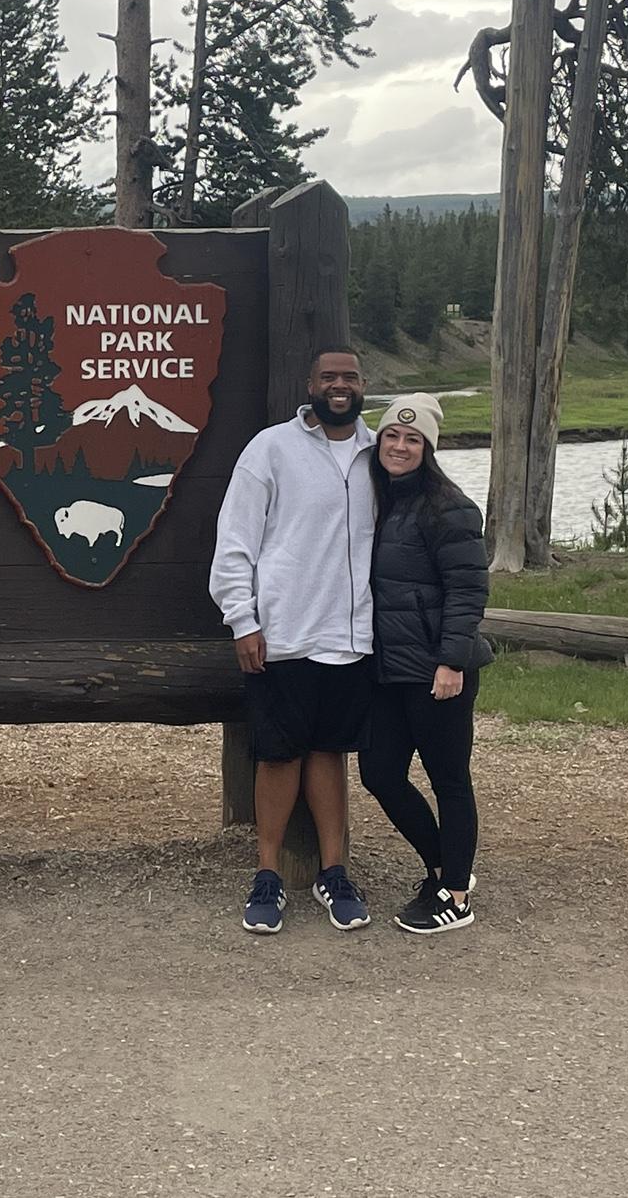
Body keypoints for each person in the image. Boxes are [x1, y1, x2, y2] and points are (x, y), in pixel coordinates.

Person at [210, 347, 376, 934]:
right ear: (310, 385)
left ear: (363, 386)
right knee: (278, 756)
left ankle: (335, 872)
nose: (339, 385)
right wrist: (243, 620)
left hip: (350, 635)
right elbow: (235, 540)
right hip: (283, 632)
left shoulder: (377, 453)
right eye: (328, 377)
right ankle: (268, 875)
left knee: (330, 753)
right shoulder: (271, 449)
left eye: (349, 377)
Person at [358, 392, 492, 934]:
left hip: (438, 669)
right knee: (379, 773)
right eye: (391, 435)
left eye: (412, 439)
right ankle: (444, 866)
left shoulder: (449, 507)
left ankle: (456, 896)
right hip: (389, 668)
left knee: (449, 779)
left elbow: (468, 589)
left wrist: (451, 661)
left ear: (428, 449)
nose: (399, 445)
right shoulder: (377, 500)